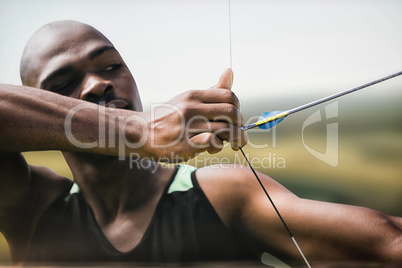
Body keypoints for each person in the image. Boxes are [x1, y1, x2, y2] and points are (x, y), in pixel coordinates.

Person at [0, 20, 401, 267]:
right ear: (38, 106)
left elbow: (388, 244)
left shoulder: (224, 194)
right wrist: (137, 130)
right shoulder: (30, 207)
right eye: (63, 84)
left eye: (110, 66)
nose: (98, 83)